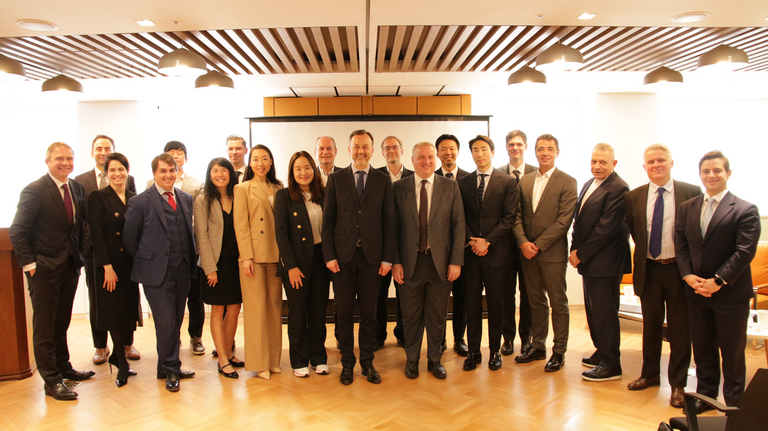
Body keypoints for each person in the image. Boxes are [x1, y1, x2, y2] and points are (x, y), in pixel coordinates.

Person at [675, 150, 759, 412]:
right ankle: (705, 398)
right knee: (702, 351)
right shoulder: (687, 208)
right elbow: (681, 246)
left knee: (732, 354)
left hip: (730, 295)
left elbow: (744, 252)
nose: (711, 175)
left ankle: (734, 406)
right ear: (700, 175)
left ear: (728, 173)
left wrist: (718, 281)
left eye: (717, 170)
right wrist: (689, 276)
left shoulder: (745, 209)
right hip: (696, 292)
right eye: (706, 171)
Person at [9, 142, 94, 401]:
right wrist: (30, 266)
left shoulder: (76, 188)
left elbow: (78, 226)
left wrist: (80, 255)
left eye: (69, 158)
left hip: (69, 267)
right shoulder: (34, 190)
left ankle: (63, 367)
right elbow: (18, 231)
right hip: (43, 270)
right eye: (59, 158)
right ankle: (51, 380)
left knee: (61, 322)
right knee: (44, 328)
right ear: (48, 161)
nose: (65, 163)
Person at [624, 144, 701, 407]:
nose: (656, 165)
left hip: (680, 271)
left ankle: (678, 383)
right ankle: (649, 374)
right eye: (651, 162)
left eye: (661, 160)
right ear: (644, 167)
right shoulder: (633, 197)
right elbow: (636, 232)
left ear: (671, 163)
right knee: (651, 326)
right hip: (649, 269)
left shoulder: (691, 192)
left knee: (680, 328)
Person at [322, 129, 395, 385]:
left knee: (369, 313)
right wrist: (329, 256)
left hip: (372, 259)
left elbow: (389, 222)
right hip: (342, 259)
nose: (361, 151)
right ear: (349, 149)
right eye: (356, 146)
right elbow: (328, 221)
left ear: (372, 151)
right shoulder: (336, 179)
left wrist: (387, 259)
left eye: (365, 147)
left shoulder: (383, 180)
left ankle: (367, 362)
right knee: (343, 313)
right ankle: (347, 363)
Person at [124, 153, 197, 393]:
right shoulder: (140, 202)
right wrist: (150, 260)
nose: (168, 175)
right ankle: (172, 369)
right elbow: (130, 239)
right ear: (154, 173)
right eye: (163, 171)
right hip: (156, 273)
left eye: (171, 170)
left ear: (177, 171)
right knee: (165, 323)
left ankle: (163, 367)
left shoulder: (185, 198)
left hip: (182, 269)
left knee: (175, 321)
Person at [392, 142, 465, 379]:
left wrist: (455, 261)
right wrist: (395, 262)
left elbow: (459, 225)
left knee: (437, 316)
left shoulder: (450, 186)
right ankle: (412, 360)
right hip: (409, 264)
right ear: (412, 160)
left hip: (440, 264)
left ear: (436, 160)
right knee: (410, 316)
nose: (426, 161)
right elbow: (392, 228)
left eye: (430, 157)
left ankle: (435, 360)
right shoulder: (399, 188)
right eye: (421, 157)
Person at [513, 134, 577, 373]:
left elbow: (564, 221)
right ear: (535, 152)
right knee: (536, 302)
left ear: (557, 152)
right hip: (527, 253)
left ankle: (559, 351)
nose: (545, 153)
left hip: (552, 253)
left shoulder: (568, 181)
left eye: (550, 149)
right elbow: (517, 215)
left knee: (558, 303)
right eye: (541, 149)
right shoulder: (525, 180)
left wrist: (537, 244)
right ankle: (538, 346)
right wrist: (523, 242)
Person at [75, 134, 140, 365]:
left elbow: (134, 222)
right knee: (102, 302)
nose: (117, 173)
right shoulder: (84, 183)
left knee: (127, 302)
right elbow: (89, 224)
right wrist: (103, 259)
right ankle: (101, 347)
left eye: (121, 169)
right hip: (99, 254)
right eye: (99, 148)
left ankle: (127, 344)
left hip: (127, 258)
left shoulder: (132, 190)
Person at [568, 143, 631, 382]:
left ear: (614, 163)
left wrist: (580, 254)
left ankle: (612, 364)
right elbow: (579, 221)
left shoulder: (619, 188)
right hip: (590, 262)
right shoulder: (589, 183)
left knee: (605, 314)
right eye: (594, 161)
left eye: (603, 162)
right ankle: (602, 351)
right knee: (594, 312)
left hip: (606, 262)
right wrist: (574, 249)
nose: (597, 166)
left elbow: (606, 229)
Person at [457, 135, 518, 371]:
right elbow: (459, 216)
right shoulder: (462, 182)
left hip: (497, 255)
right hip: (471, 254)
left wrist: (488, 241)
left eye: (484, 149)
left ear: (492, 152)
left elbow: (509, 218)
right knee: (472, 305)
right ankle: (473, 352)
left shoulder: (508, 182)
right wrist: (474, 242)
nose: (479, 154)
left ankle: (494, 351)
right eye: (475, 150)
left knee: (496, 306)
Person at [146, 141, 206, 355]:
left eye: (178, 155)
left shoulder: (194, 186)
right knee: (168, 310)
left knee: (193, 300)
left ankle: (195, 337)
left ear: (184, 160)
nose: (175, 158)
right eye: (171, 155)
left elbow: (198, 219)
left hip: (189, 253)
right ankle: (172, 345)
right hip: (162, 258)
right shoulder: (148, 188)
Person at [275, 151, 331, 378]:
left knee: (318, 311)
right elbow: (281, 235)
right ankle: (299, 360)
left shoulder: (324, 194)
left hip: (321, 260)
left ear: (313, 169)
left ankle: (318, 357)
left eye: (307, 167)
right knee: (298, 312)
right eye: (298, 168)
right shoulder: (284, 196)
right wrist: (291, 266)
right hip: (296, 262)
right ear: (292, 172)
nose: (303, 172)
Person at [87, 152, 140, 388]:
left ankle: (119, 357)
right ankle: (120, 362)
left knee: (127, 310)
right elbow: (96, 235)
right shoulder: (98, 197)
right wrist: (106, 266)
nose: (117, 174)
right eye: (112, 170)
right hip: (109, 265)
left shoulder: (134, 198)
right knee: (113, 312)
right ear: (106, 173)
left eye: (121, 169)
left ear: (127, 171)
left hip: (130, 264)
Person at [233, 145, 284, 380]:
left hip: (276, 254)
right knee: (256, 311)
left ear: (271, 162)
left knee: (274, 309)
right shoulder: (242, 188)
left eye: (265, 158)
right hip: (253, 256)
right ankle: (259, 362)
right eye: (255, 159)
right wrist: (245, 257)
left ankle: (273, 360)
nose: (260, 163)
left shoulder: (279, 187)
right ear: (250, 163)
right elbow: (241, 225)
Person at [194, 158, 244, 379]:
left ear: (230, 173)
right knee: (217, 309)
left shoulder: (238, 196)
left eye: (224, 170)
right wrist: (209, 268)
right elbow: (202, 237)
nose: (220, 175)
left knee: (234, 308)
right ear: (210, 174)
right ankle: (222, 359)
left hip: (236, 262)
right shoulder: (203, 200)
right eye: (215, 171)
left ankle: (229, 352)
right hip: (215, 264)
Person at [497, 130, 536, 357]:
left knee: (528, 294)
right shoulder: (498, 174)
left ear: (525, 147)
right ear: (506, 147)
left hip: (529, 246)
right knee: (506, 295)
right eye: (511, 144)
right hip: (504, 246)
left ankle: (527, 338)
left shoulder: (537, 173)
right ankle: (508, 338)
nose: (515, 148)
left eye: (519, 144)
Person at [375, 135, 413, 351]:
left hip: (406, 245)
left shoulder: (413, 176)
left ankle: (403, 334)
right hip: (379, 247)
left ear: (402, 151)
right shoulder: (375, 176)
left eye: (395, 147)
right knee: (378, 294)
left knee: (404, 295)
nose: (391, 151)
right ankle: (378, 335)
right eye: (387, 148)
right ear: (382, 153)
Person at [435, 134, 470, 356]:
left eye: (452, 148)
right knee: (438, 300)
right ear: (437, 153)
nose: (448, 152)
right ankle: (439, 340)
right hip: (437, 250)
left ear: (457, 151)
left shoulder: (468, 179)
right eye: (443, 149)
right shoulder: (430, 177)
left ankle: (459, 338)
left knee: (461, 297)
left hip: (462, 249)